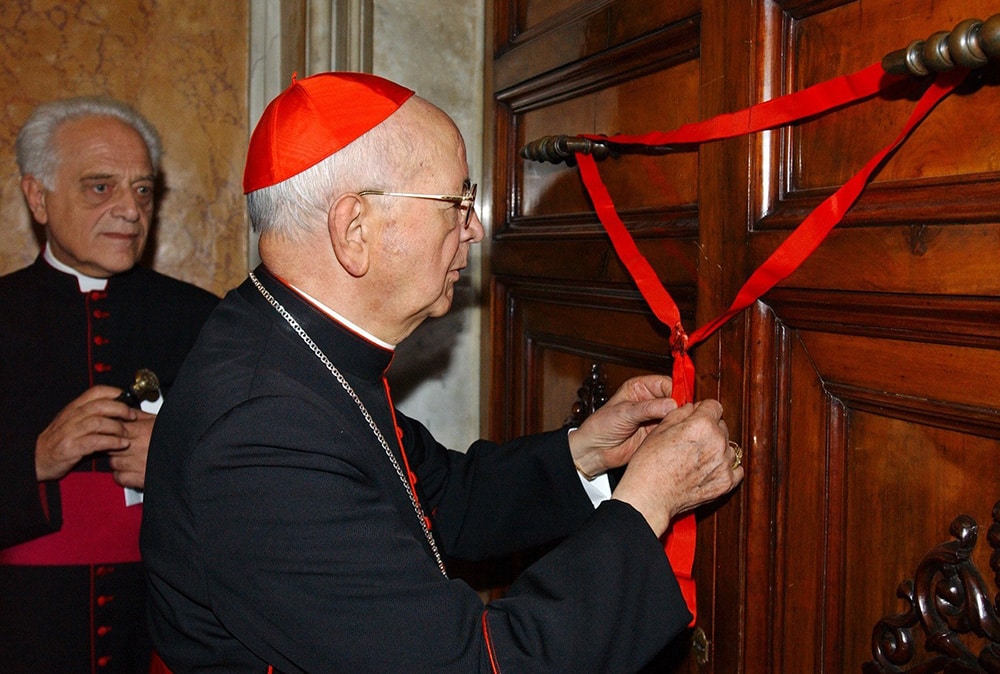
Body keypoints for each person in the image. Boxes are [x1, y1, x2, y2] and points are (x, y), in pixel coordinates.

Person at [140, 72, 743, 673]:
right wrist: (646, 505)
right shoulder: (261, 429)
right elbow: (465, 666)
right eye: (457, 202)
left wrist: (587, 453)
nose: (475, 227)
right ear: (355, 230)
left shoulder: (296, 344)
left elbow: (438, 497)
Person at [0, 96, 219, 673]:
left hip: (164, 635)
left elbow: (265, 486)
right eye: (101, 187)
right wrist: (36, 462)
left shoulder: (206, 322)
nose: (130, 210)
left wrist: (176, 465)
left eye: (143, 190)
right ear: (37, 197)